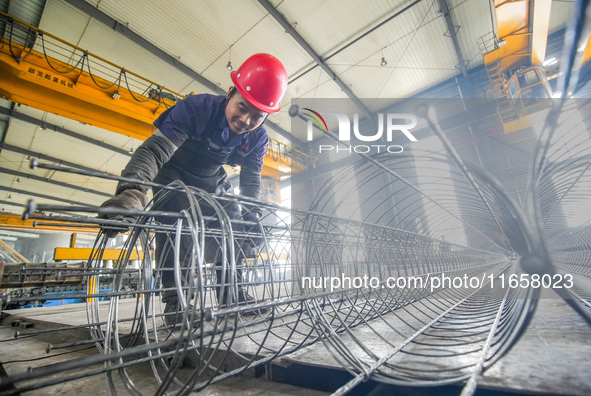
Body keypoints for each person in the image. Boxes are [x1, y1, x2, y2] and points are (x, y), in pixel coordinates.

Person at [100, 53, 288, 324]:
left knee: (233, 223)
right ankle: (177, 304)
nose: (246, 120)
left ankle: (232, 295)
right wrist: (132, 192)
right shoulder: (195, 109)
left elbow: (251, 179)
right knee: (176, 228)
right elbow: (155, 151)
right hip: (173, 172)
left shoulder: (258, 138)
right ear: (229, 93)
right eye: (242, 108)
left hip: (212, 177)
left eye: (257, 116)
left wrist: (250, 214)